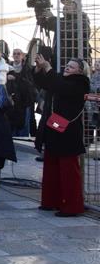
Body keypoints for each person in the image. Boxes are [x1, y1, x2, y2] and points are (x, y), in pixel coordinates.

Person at [33, 55, 90, 216]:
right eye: (67, 65)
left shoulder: (80, 83)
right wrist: (39, 69)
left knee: (68, 171)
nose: (67, 68)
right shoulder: (61, 79)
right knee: (51, 167)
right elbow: (44, 83)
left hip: (68, 133)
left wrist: (49, 68)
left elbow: (60, 86)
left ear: (80, 71)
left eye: (71, 67)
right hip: (54, 129)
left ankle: (71, 206)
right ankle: (51, 201)